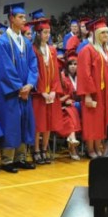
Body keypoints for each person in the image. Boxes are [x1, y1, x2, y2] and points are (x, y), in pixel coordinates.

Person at [0, 2, 38, 172]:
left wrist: (30, 84)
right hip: (10, 93)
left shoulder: (26, 43)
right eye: (20, 17)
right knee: (11, 123)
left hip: (24, 91)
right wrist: (20, 88)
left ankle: (21, 158)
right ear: (11, 19)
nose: (24, 19)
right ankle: (7, 160)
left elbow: (34, 64)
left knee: (24, 122)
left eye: (24, 17)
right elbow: (5, 69)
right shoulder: (3, 42)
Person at [77, 18, 108, 158]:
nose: (106, 35)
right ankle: (90, 148)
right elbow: (85, 74)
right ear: (96, 34)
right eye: (103, 32)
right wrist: (88, 95)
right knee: (93, 121)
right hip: (94, 93)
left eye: (107, 33)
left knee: (105, 120)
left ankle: (100, 147)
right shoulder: (87, 50)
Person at [30, 17, 62, 164]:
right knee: (39, 124)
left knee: (49, 123)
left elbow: (56, 72)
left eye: (49, 32)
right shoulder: (34, 50)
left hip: (51, 93)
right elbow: (35, 72)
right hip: (39, 94)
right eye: (45, 32)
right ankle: (36, 149)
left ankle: (44, 148)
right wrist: (43, 91)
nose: (47, 35)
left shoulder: (52, 50)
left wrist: (54, 91)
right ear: (38, 33)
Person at [58, 52, 82, 160]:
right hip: (62, 107)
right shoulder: (62, 77)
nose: (73, 66)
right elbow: (58, 99)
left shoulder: (80, 77)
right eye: (71, 64)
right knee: (70, 115)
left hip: (76, 105)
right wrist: (67, 98)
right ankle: (72, 146)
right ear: (67, 66)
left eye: (75, 64)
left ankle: (73, 141)